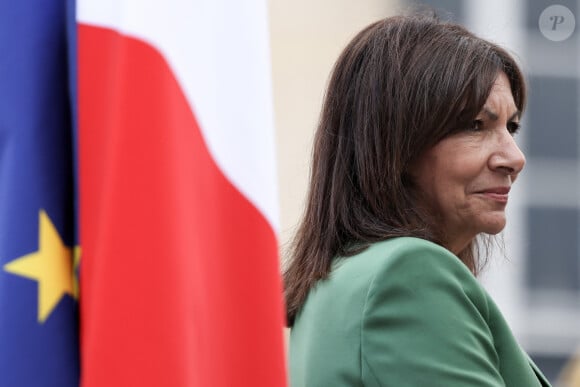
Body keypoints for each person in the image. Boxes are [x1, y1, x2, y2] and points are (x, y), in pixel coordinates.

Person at [284, 13, 552, 387]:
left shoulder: (338, 281)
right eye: (476, 125)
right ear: (397, 145)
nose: (514, 158)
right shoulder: (407, 274)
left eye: (511, 127)